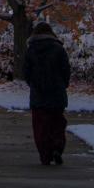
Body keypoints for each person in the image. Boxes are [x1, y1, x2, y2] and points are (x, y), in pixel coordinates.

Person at [22, 21, 72, 165]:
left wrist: (32, 84)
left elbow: (26, 71)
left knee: (40, 125)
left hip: (38, 93)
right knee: (57, 122)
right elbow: (65, 70)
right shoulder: (58, 49)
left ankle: (45, 154)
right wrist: (63, 84)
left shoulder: (31, 50)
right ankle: (57, 146)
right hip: (56, 92)